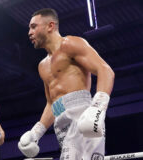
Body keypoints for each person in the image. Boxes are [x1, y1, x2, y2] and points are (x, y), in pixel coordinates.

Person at [18, 8, 115, 160]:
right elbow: (51, 103)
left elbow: (105, 71)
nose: (29, 32)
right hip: (61, 121)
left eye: (34, 26)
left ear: (50, 26)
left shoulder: (71, 44)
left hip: (82, 116)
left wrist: (97, 109)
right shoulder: (42, 65)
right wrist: (36, 132)